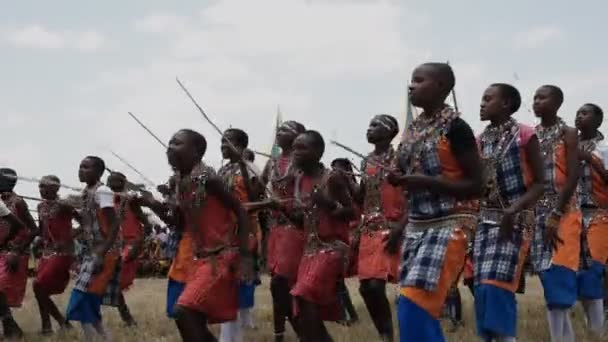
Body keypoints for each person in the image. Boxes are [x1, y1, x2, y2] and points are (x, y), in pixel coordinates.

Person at [389, 62, 483, 341]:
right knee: (409, 303)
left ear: (441, 86)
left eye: (419, 80)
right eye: (411, 80)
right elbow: (413, 177)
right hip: (417, 226)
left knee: (415, 303)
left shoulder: (456, 128)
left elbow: (477, 185)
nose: (411, 86)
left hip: (450, 223)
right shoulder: (414, 129)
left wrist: (425, 182)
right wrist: (401, 178)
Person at [140, 129, 253, 342]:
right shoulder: (182, 183)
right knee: (189, 319)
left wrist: (245, 256)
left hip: (220, 258)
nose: (170, 147)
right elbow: (178, 224)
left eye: (177, 143)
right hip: (199, 260)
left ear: (197, 151)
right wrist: (153, 205)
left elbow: (240, 209)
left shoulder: (208, 179)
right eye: (170, 143)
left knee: (185, 312)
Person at [474, 83, 546, 341]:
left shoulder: (525, 135)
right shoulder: (480, 140)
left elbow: (540, 183)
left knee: (498, 285)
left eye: (487, 98)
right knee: (481, 287)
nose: (481, 103)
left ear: (506, 104)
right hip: (485, 221)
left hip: (516, 218)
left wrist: (513, 210)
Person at [286, 130, 355, 342]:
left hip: (332, 247)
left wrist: (327, 203)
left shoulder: (331, 178)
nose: (295, 152)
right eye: (294, 148)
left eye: (302, 148)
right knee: (302, 306)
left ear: (318, 152)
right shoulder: (298, 180)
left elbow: (351, 211)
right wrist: (282, 210)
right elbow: (301, 220)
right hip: (310, 250)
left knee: (303, 295)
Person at [530, 85, 581, 342]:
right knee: (545, 273)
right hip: (537, 209)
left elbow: (573, 175)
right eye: (535, 98)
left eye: (543, 97)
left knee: (559, 270)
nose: (537, 102)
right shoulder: (530, 135)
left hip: (565, 208)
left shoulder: (569, 133)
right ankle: (563, 337)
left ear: (558, 103)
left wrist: (557, 213)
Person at [354, 114, 406, 341]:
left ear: (390, 132)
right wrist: (345, 184)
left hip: (392, 227)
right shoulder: (366, 161)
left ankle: (390, 336)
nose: (369, 129)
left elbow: (412, 192)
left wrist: (401, 228)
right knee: (366, 288)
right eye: (369, 124)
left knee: (376, 285)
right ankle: (385, 334)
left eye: (375, 125)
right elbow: (362, 195)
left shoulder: (400, 159)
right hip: (369, 229)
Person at [65, 157, 122, 342]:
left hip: (104, 252)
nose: (81, 170)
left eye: (86, 167)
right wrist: (73, 214)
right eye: (80, 166)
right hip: (91, 252)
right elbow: (88, 223)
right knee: (86, 300)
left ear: (98, 172)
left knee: (84, 297)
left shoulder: (103, 191)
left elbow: (114, 225)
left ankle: (102, 338)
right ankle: (101, 338)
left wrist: (101, 254)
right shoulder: (85, 193)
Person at [217, 129, 263, 342]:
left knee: (237, 283)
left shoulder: (250, 169)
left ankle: (232, 334)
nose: (223, 146)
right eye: (222, 143)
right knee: (226, 283)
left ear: (242, 146)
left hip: (243, 232)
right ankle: (231, 334)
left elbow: (255, 199)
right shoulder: (223, 169)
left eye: (228, 143)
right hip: (223, 232)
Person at [262, 121, 307, 341]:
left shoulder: (304, 162)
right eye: (279, 130)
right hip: (276, 227)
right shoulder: (272, 163)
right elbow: (257, 189)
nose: (279, 133)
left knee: (281, 282)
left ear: (299, 136)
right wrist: (243, 164)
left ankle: (305, 331)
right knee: (277, 284)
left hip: (296, 226)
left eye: (285, 130)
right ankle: (278, 334)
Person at [575, 103, 608, 336]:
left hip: (600, 214)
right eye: (577, 113)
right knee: (577, 273)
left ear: (598, 121)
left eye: (585, 113)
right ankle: (593, 323)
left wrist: (591, 159)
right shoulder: (567, 147)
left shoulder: (604, 148)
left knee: (593, 268)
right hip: (574, 217)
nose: (579, 117)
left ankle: (597, 328)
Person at [34, 175, 79, 335]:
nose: (41, 189)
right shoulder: (40, 206)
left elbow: (85, 223)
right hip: (47, 252)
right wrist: (39, 240)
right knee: (39, 289)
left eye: (45, 186)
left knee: (38, 286)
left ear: (56, 188)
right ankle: (48, 326)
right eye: (40, 186)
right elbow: (42, 229)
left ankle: (60, 323)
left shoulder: (64, 205)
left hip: (63, 252)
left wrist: (68, 237)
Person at [107, 171, 149, 327]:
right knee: (113, 282)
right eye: (110, 181)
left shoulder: (131, 200)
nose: (112, 184)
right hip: (115, 245)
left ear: (124, 183)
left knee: (114, 279)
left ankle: (128, 319)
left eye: (116, 181)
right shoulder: (107, 202)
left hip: (131, 244)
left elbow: (147, 224)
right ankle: (127, 318)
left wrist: (139, 243)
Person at [0, 169, 38, 338]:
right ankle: (11, 329)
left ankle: (11, 329)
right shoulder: (1, 201)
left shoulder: (18, 203)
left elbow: (33, 229)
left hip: (15, 254)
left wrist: (16, 249)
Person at [330, 158, 360, 326]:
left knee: (338, 279)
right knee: (335, 279)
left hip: (344, 236)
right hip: (337, 234)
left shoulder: (353, 192)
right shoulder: (331, 189)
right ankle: (343, 313)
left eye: (338, 169)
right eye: (333, 169)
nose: (334, 173)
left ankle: (348, 314)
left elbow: (353, 212)